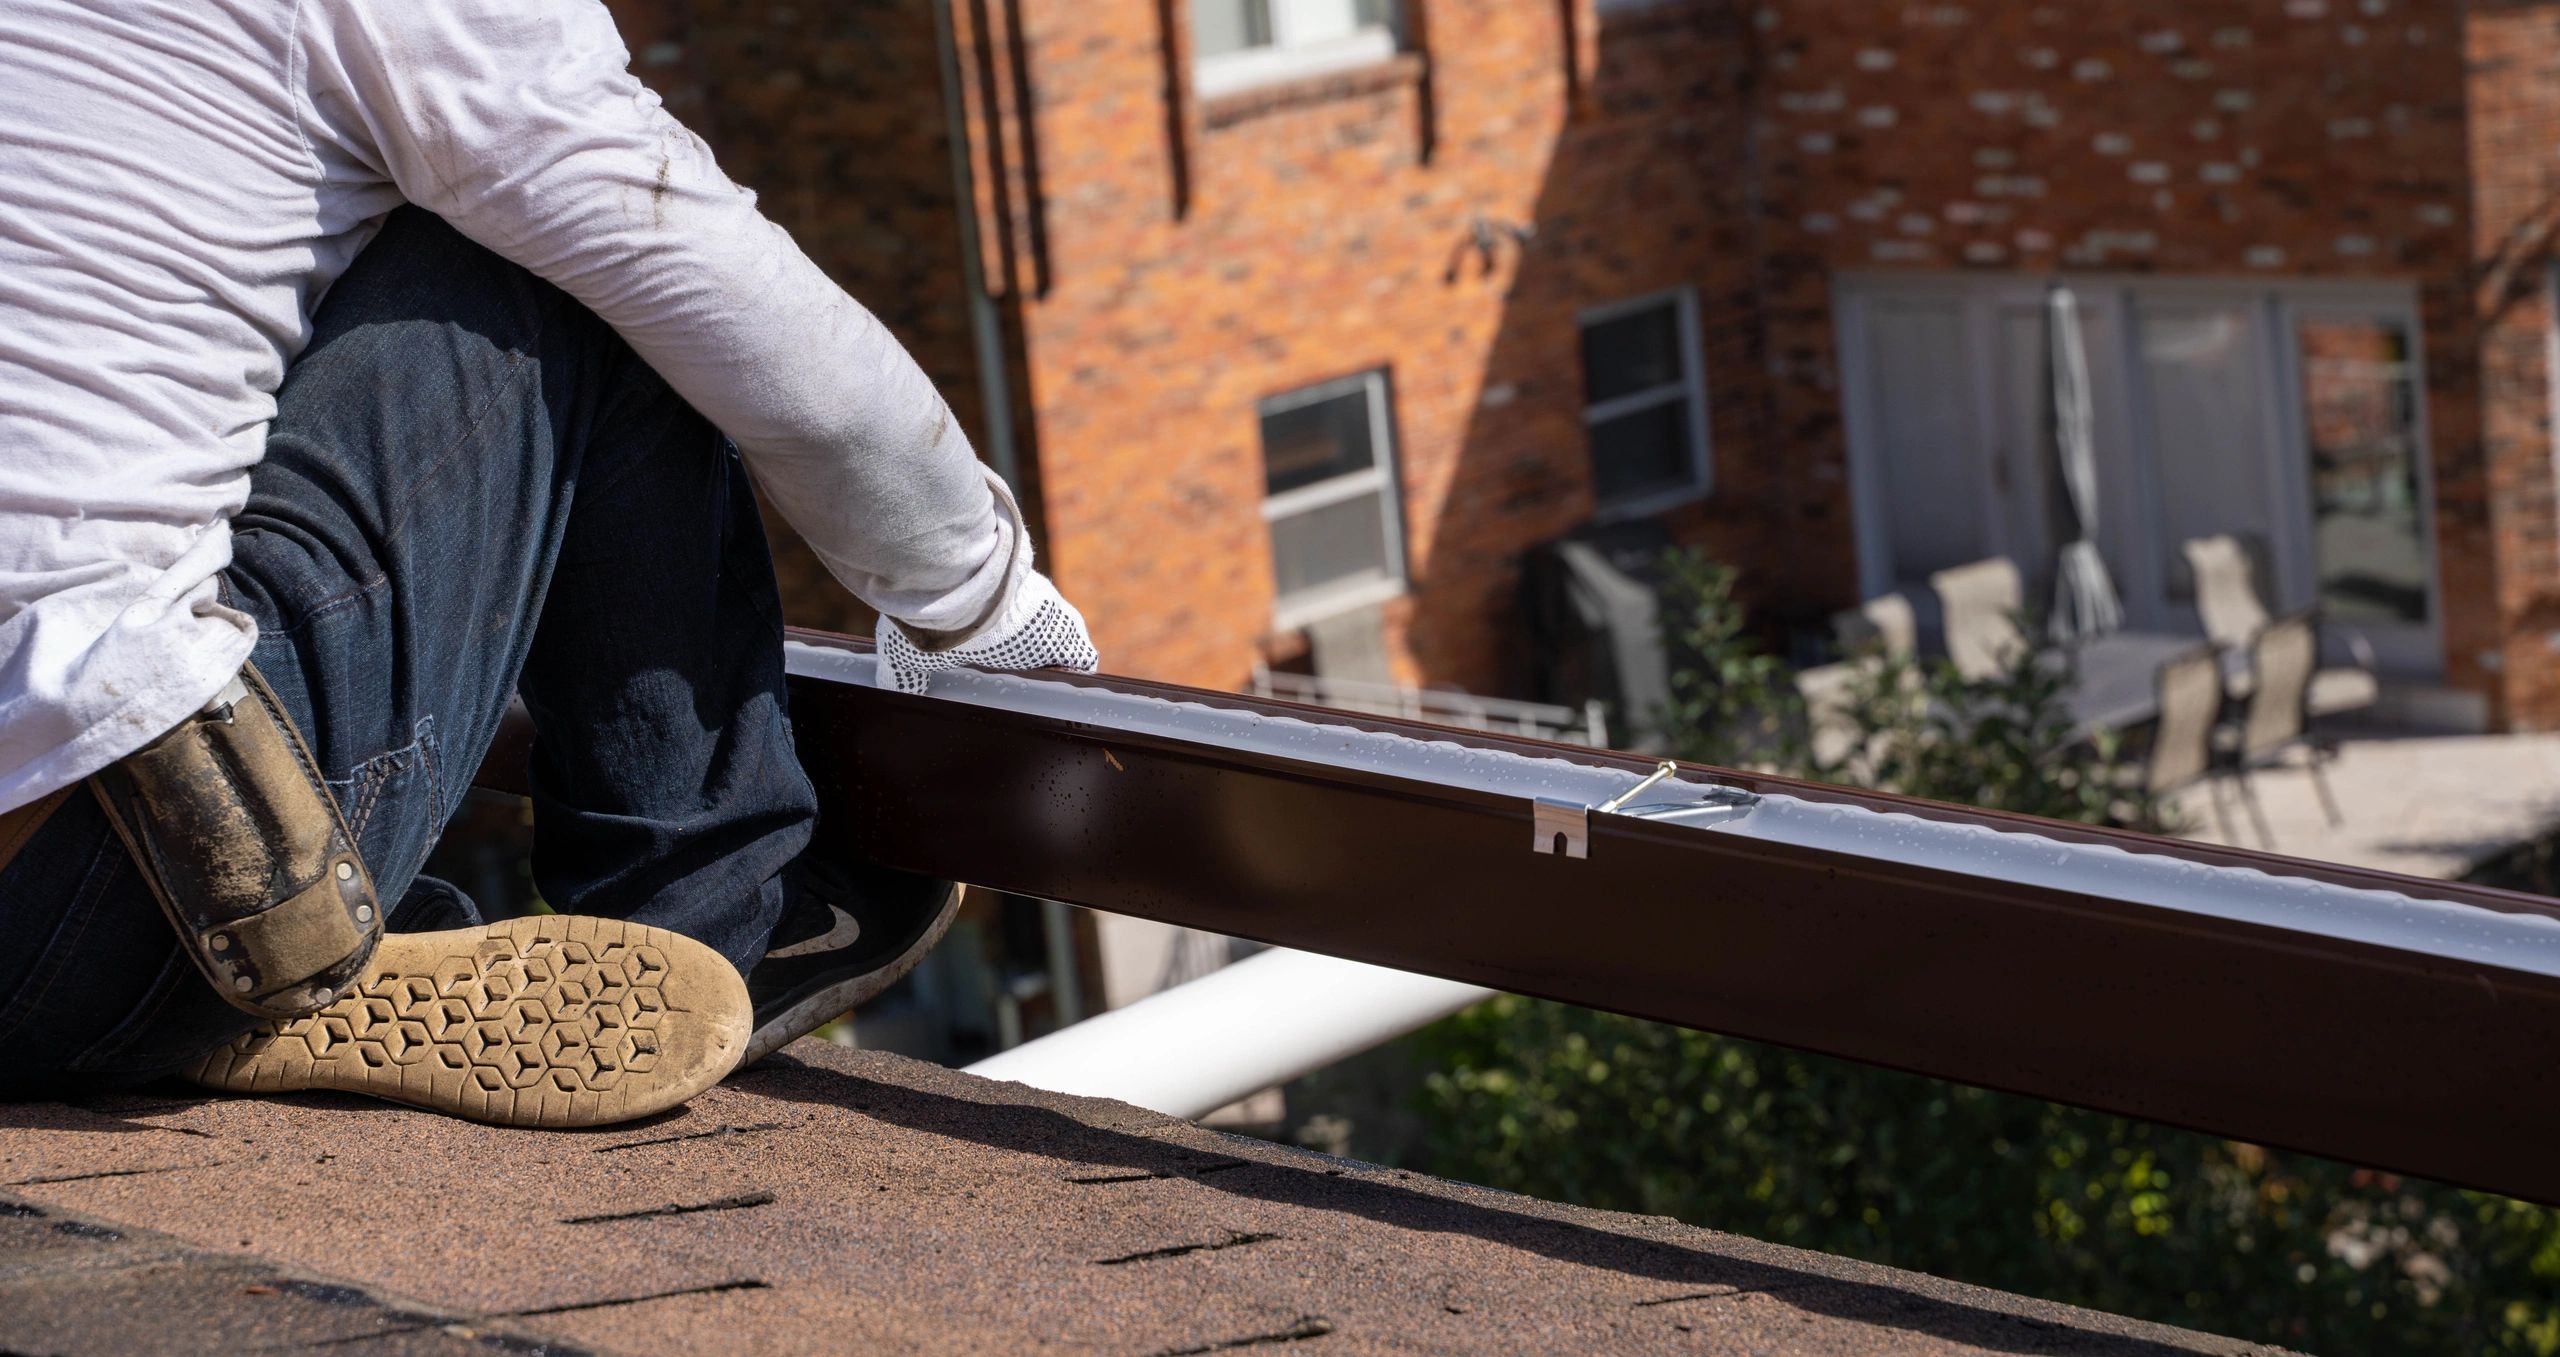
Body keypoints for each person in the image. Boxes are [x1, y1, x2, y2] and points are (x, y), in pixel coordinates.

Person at [0, 0, 1097, 1127]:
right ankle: (706, 914)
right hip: (139, 866)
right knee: (579, 247)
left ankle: (286, 958)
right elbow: (710, 282)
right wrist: (983, 605)